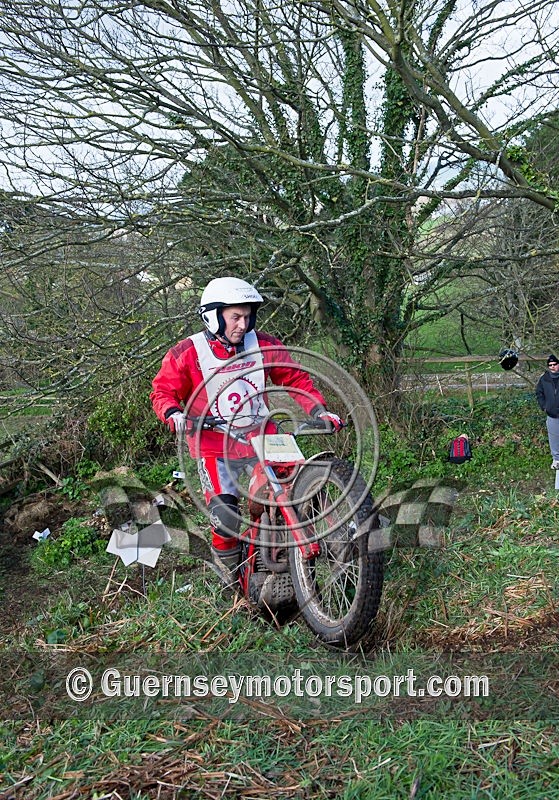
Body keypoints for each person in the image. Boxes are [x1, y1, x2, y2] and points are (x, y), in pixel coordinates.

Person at [150, 277, 344, 580]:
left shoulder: (263, 343)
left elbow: (295, 379)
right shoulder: (188, 352)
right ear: (213, 316)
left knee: (303, 483)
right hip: (213, 444)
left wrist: (319, 409)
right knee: (226, 517)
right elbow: (163, 392)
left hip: (262, 436)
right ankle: (232, 576)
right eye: (235, 317)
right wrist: (173, 413)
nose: (243, 324)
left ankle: (338, 536)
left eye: (247, 316)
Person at [535, 353, 559, 469]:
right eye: (550, 365)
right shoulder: (544, 379)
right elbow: (539, 393)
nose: (553, 367)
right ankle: (556, 459)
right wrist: (544, 406)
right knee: (554, 437)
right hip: (552, 414)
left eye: (555, 364)